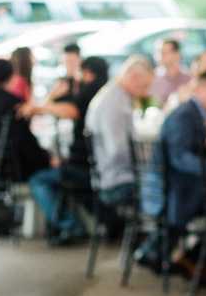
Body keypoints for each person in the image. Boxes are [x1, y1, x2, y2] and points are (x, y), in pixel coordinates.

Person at [26, 56, 109, 242]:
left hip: (84, 166)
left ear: (88, 73)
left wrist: (48, 100)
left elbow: (71, 110)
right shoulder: (105, 92)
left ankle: (71, 226)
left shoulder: (91, 91)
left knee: (39, 180)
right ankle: (100, 221)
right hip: (95, 165)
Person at [161, 70, 206, 230]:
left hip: (188, 187)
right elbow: (180, 158)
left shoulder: (197, 113)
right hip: (182, 193)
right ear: (198, 90)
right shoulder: (184, 115)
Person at [83, 56, 153, 207]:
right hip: (116, 181)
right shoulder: (115, 103)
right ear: (133, 77)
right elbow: (117, 150)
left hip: (110, 175)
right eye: (144, 86)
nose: (145, 92)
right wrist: (146, 158)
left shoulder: (115, 94)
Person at [0, 57, 50, 183]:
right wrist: (45, 157)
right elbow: (24, 138)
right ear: (11, 77)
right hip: (7, 164)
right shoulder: (13, 102)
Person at [151, 38, 188, 108]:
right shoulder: (153, 78)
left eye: (163, 52)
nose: (159, 56)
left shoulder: (188, 78)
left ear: (177, 54)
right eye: (157, 52)